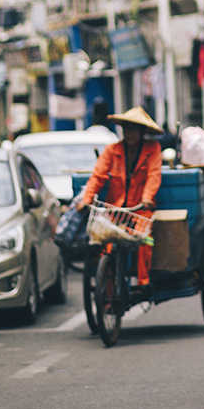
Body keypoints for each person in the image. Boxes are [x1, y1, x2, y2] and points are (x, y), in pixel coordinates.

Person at [77, 106, 163, 286]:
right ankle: (108, 292)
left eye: (134, 129)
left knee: (145, 239)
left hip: (140, 209)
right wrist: (86, 200)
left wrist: (147, 198)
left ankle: (143, 281)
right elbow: (97, 176)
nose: (130, 133)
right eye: (127, 129)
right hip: (115, 209)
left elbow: (153, 175)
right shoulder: (111, 150)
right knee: (105, 244)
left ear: (142, 131)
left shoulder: (152, 148)